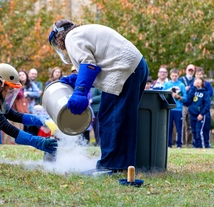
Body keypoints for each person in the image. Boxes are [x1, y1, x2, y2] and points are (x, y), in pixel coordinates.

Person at [48, 19, 148, 172]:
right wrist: (75, 79)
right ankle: (123, 165)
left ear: (58, 37)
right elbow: (97, 63)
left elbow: (89, 65)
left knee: (111, 117)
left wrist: (79, 92)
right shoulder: (83, 32)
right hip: (136, 66)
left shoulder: (71, 37)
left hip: (122, 69)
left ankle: (110, 165)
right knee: (125, 119)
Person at [183, 77, 211, 148]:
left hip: (200, 115)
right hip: (192, 114)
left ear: (202, 82)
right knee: (194, 131)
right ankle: (196, 146)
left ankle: (202, 146)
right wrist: (193, 88)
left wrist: (201, 114)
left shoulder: (205, 92)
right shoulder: (192, 91)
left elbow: (207, 105)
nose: (197, 81)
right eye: (196, 80)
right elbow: (188, 100)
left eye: (199, 80)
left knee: (199, 131)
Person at [163, 68, 186, 148]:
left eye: (176, 76)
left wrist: (179, 97)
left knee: (179, 127)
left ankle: (179, 144)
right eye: (173, 76)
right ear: (170, 75)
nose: (174, 77)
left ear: (178, 76)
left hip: (178, 109)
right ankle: (169, 144)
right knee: (169, 127)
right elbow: (162, 95)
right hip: (169, 109)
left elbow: (186, 98)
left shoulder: (181, 85)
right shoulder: (166, 84)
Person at [179, 64, 195, 146]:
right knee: (182, 124)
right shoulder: (181, 79)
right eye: (189, 70)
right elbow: (177, 90)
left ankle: (189, 143)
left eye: (192, 70)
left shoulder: (195, 80)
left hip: (192, 105)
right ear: (186, 70)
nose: (190, 72)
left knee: (190, 125)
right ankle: (181, 142)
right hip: (182, 104)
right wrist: (184, 89)